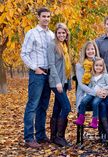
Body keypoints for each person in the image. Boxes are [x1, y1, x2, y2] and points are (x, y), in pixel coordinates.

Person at [21, 7, 54, 148]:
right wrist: (36, 68)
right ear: (39, 17)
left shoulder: (52, 34)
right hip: (37, 73)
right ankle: (29, 138)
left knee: (43, 106)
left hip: (49, 74)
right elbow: (24, 54)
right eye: (43, 16)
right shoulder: (32, 33)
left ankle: (40, 135)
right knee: (33, 105)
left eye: (48, 16)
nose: (46, 18)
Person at [75, 41, 108, 145]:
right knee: (102, 105)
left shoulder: (99, 62)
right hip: (87, 94)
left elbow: (105, 79)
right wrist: (96, 92)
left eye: (92, 49)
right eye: (88, 49)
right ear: (85, 51)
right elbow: (82, 85)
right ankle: (106, 136)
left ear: (95, 50)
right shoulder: (80, 65)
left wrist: (104, 92)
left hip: (100, 93)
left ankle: (106, 135)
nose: (90, 51)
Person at [47, 23, 72, 147]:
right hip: (57, 82)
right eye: (59, 33)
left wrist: (69, 82)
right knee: (66, 107)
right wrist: (57, 82)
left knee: (57, 107)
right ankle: (59, 137)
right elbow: (51, 65)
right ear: (56, 34)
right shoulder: (52, 45)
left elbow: (67, 65)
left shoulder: (65, 45)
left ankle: (53, 137)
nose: (61, 35)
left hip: (65, 81)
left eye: (64, 33)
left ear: (66, 33)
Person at [74, 57, 108, 129]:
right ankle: (81, 118)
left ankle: (94, 121)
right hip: (92, 93)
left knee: (95, 103)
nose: (98, 67)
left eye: (100, 66)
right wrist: (89, 93)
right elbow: (90, 86)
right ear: (93, 66)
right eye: (96, 65)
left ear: (103, 67)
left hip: (100, 94)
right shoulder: (92, 76)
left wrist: (103, 89)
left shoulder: (105, 75)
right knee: (84, 101)